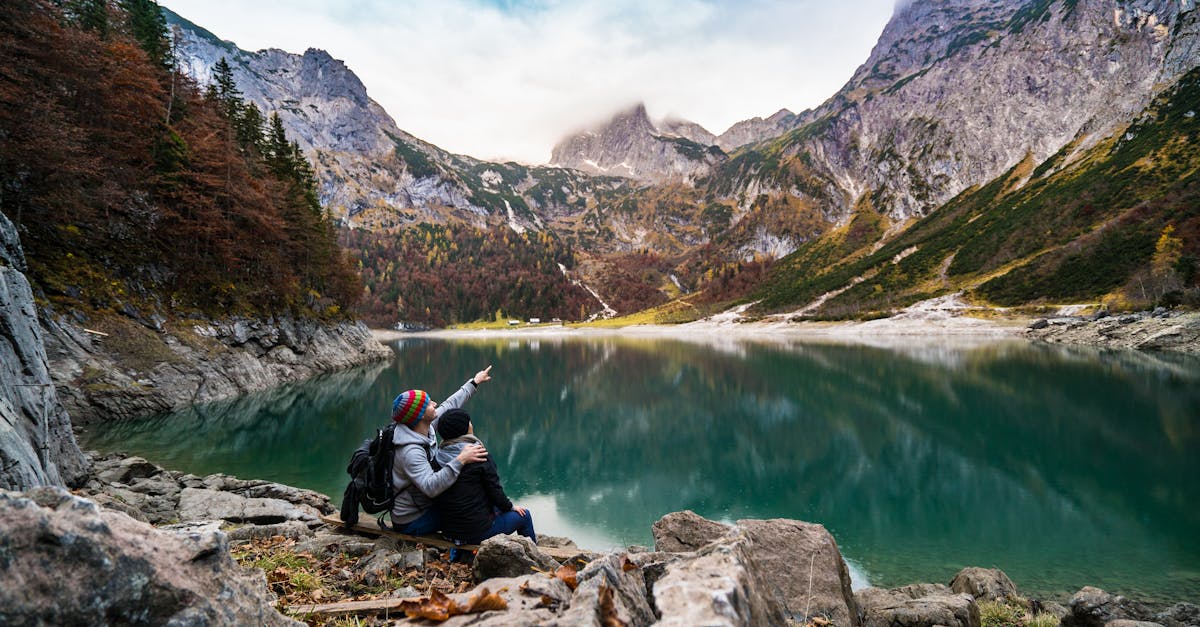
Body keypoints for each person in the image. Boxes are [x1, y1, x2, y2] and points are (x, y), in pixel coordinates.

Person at [389, 366, 493, 534]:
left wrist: (474, 382)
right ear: (420, 415)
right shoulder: (410, 452)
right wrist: (461, 459)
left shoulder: (424, 426)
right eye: (429, 404)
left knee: (473, 503)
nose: (435, 404)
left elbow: (450, 404)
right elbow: (430, 487)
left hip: (424, 504)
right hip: (412, 519)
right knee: (471, 512)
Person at [433, 408, 536, 546]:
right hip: (476, 533)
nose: (471, 424)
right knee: (524, 516)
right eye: (469, 422)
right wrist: (510, 507)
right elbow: (495, 491)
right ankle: (534, 556)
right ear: (466, 428)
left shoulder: (438, 456)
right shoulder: (479, 456)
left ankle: (458, 553)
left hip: (449, 532)